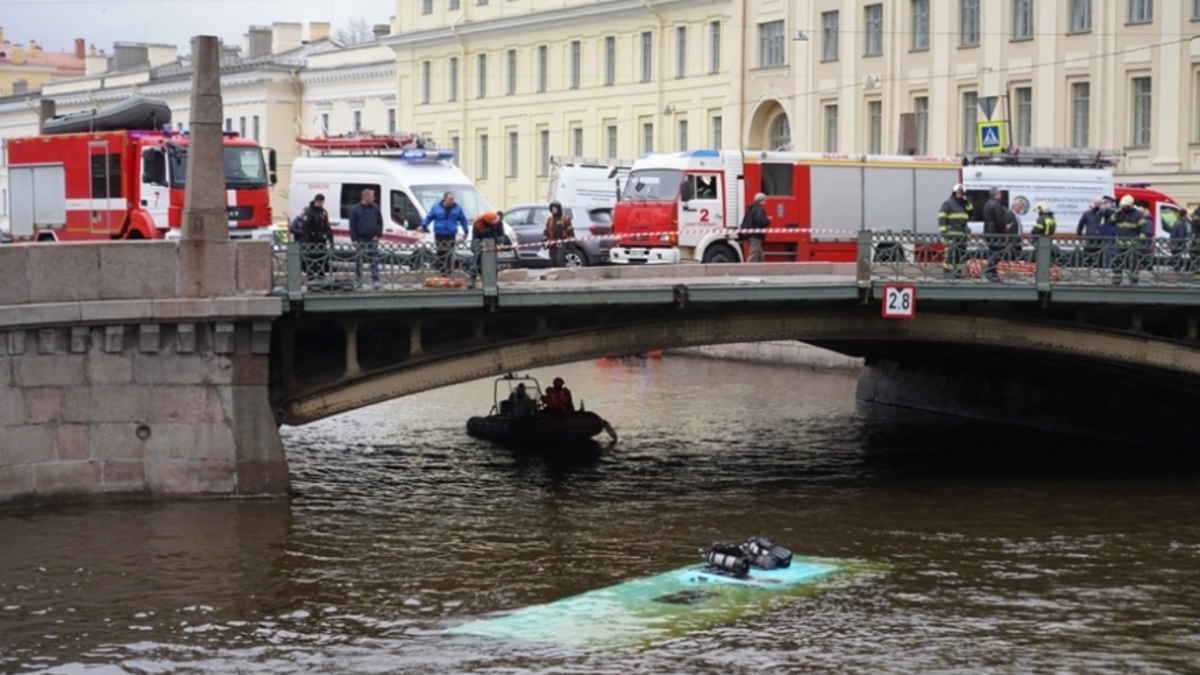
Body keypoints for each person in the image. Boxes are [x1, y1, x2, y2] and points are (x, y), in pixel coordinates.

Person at [421, 191, 469, 275]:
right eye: (450, 199)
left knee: (449, 253)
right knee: (440, 253)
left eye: (453, 199)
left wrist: (466, 230)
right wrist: (423, 225)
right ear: (445, 199)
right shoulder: (436, 207)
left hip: (450, 235)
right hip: (440, 234)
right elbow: (429, 217)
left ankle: (448, 272)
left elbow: (463, 219)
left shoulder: (457, 208)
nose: (452, 201)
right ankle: (441, 271)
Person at [1111, 195, 1149, 286]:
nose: (1124, 208)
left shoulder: (1137, 215)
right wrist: (1117, 214)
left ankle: (1134, 281)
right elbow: (1110, 222)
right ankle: (1116, 280)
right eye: (1123, 206)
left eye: (1126, 206)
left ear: (1131, 205)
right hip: (1120, 243)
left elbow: (1144, 229)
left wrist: (1141, 239)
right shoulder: (1119, 213)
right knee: (1117, 262)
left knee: (1133, 263)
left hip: (1132, 244)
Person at [349, 188, 383, 289]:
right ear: (366, 197)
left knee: (374, 260)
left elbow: (380, 222)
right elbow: (352, 225)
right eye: (372, 196)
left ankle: (375, 280)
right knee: (359, 261)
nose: (374, 198)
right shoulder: (356, 209)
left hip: (373, 238)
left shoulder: (375, 208)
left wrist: (378, 234)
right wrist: (354, 239)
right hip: (361, 238)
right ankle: (358, 280)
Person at [938, 183, 973, 279]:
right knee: (950, 254)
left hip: (962, 235)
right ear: (954, 193)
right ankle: (948, 273)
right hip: (951, 234)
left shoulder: (964, 204)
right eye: (958, 193)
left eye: (961, 193)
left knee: (960, 255)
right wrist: (944, 231)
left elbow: (971, 213)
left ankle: (957, 273)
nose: (960, 195)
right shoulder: (948, 203)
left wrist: (967, 203)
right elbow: (942, 217)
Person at [301, 194, 333, 282]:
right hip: (312, 241)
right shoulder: (309, 211)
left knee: (322, 260)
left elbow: (327, 225)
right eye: (320, 202)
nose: (321, 204)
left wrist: (330, 238)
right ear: (315, 201)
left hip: (321, 240)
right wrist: (308, 239)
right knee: (312, 260)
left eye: (322, 202)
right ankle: (311, 278)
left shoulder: (323, 212)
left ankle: (321, 276)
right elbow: (305, 227)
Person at [469, 211, 506, 286]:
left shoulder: (498, 223)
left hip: (493, 246)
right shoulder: (479, 224)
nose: (495, 224)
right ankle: (472, 281)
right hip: (481, 246)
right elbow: (475, 238)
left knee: (494, 265)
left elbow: (501, 235)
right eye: (493, 223)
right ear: (487, 221)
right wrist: (478, 246)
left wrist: (500, 245)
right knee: (476, 264)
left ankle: (492, 283)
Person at [981, 187, 1009, 281]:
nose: (1001, 195)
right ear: (996, 194)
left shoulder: (987, 204)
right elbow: (1000, 220)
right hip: (996, 232)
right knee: (999, 252)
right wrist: (1004, 231)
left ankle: (993, 274)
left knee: (992, 252)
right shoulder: (997, 205)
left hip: (988, 232)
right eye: (999, 194)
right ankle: (988, 268)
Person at [543, 201, 576, 268]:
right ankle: (555, 274)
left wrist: (572, 245)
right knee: (553, 261)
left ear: (559, 208)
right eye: (552, 208)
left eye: (555, 208)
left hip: (562, 242)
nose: (554, 210)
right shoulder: (549, 219)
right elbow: (546, 230)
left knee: (560, 260)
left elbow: (571, 232)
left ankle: (562, 275)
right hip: (552, 243)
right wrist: (544, 238)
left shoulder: (565, 219)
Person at [740, 193, 770, 263]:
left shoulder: (751, 209)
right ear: (761, 200)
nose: (765, 201)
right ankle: (747, 270)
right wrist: (767, 220)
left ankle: (761, 270)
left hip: (749, 234)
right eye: (764, 200)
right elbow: (761, 221)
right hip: (755, 236)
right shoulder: (758, 210)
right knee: (754, 255)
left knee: (760, 255)